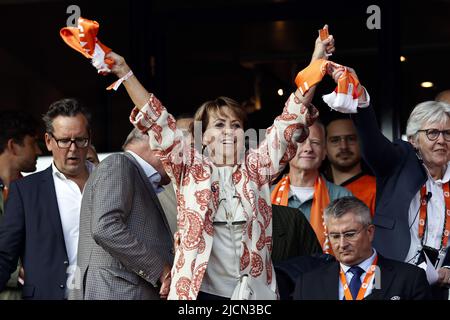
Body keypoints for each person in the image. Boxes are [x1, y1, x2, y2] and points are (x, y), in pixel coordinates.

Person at [104, 27, 334, 300]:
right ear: (204, 136)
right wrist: (125, 72)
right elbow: (157, 119)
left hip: (253, 294)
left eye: (236, 125)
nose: (228, 131)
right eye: (219, 125)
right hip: (199, 293)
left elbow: (291, 118)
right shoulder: (189, 168)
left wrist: (316, 61)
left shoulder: (257, 167)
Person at [327, 65, 450, 298]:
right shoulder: (399, 160)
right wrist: (361, 102)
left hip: (441, 287)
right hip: (394, 277)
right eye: (432, 133)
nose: (441, 140)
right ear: (413, 139)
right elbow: (373, 144)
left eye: (448, 134)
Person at [0, 98, 94, 299]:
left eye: (80, 140)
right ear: (49, 141)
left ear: (89, 138)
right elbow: (4, 257)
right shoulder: (26, 192)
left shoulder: (111, 183)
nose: (73, 148)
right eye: (64, 141)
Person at [70, 128, 174, 300]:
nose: (179, 159)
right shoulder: (119, 163)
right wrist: (160, 269)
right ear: (155, 142)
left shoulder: (130, 170)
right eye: (175, 148)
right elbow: (105, 228)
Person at [294, 196, 431, 300]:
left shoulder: (409, 278)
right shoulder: (307, 284)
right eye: (335, 236)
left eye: (350, 234)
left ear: (370, 232)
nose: (342, 244)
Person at [271, 120, 352, 253]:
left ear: (325, 151)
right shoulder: (266, 195)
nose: (308, 148)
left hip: (326, 272)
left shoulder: (343, 198)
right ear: (286, 149)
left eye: (315, 142)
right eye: (300, 141)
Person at [0, 111, 42, 300]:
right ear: (13, 146)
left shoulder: (34, 194)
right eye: (33, 143)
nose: (40, 151)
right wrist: (21, 273)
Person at [324, 117, 376, 214]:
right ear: (324, 148)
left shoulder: (376, 189)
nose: (344, 146)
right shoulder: (318, 189)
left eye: (351, 139)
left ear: (361, 143)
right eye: (335, 140)